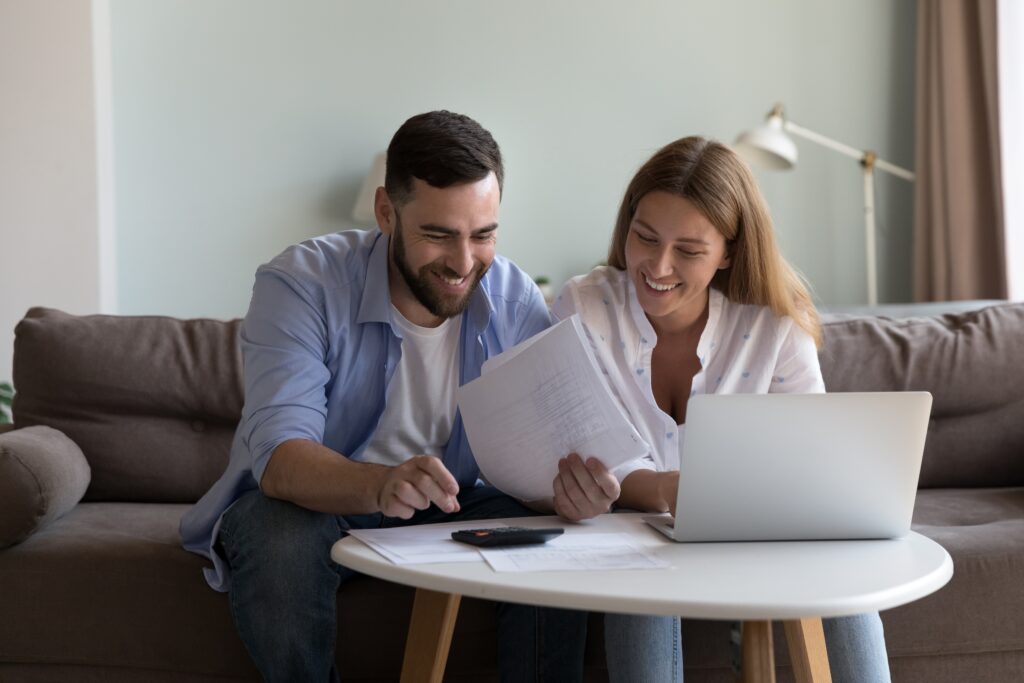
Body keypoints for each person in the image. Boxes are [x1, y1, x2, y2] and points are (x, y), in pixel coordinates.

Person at [180, 110, 585, 682]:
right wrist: (380, 483)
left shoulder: (516, 300)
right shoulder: (302, 284)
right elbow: (280, 456)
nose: (464, 262)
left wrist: (573, 489)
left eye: (484, 234)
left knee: (550, 545)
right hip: (315, 504)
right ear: (385, 213)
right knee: (276, 540)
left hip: (454, 501)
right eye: (439, 234)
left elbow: (542, 453)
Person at [549, 136, 891, 682]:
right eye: (645, 237)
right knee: (641, 586)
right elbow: (571, 452)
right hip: (626, 535)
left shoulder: (775, 325)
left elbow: (814, 460)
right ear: (626, 226)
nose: (658, 266)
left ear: (729, 251)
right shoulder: (583, 307)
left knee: (847, 576)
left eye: (688, 250)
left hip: (754, 531)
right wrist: (661, 490)